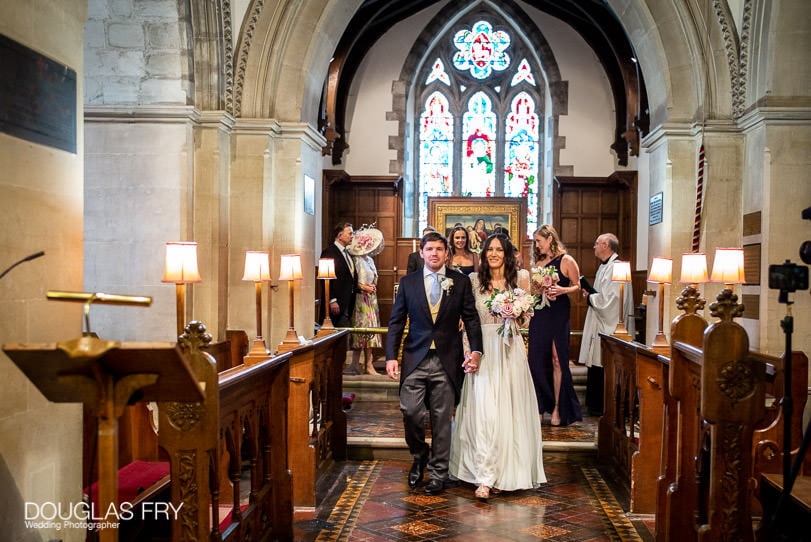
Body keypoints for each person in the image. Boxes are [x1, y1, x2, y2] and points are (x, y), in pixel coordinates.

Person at [449, 233, 546, 499]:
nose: (493, 254)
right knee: (484, 412)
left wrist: (515, 312)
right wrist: (470, 352)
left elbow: (526, 322)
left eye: (499, 250)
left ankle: (506, 472)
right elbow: (469, 320)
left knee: (508, 411)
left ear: (507, 254)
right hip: (483, 349)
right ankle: (484, 475)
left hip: (509, 349)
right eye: (489, 249)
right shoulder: (472, 281)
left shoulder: (522, 278)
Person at [386, 231, 483, 495]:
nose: (434, 254)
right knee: (411, 411)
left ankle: (439, 473)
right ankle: (419, 455)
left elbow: (471, 319)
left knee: (442, 419)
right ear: (422, 253)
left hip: (446, 359)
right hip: (415, 358)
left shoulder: (460, 282)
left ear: (446, 253)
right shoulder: (408, 283)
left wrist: (476, 351)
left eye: (440, 249)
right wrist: (391, 356)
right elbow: (396, 321)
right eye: (429, 249)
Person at [527, 225, 583, 426]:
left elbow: (578, 285)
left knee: (558, 359)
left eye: (538, 241)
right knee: (537, 360)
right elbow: (533, 290)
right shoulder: (539, 262)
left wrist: (561, 289)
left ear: (549, 239)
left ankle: (559, 407)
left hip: (559, 313)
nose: (536, 245)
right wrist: (536, 288)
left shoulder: (566, 260)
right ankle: (541, 406)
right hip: (540, 313)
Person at [578, 233, 635, 415]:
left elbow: (613, 301)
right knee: (596, 363)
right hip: (600, 321)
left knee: (603, 363)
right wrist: (592, 295)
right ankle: (595, 406)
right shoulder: (605, 266)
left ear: (605, 245)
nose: (593, 247)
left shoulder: (617, 267)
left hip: (609, 326)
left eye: (596, 244)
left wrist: (591, 296)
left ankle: (604, 407)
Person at [348, 226, 385, 375]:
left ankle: (368, 364)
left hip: (371, 299)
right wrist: (364, 287)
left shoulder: (369, 259)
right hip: (360, 298)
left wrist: (372, 288)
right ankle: (357, 363)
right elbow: (352, 281)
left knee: (371, 331)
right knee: (362, 330)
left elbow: (374, 278)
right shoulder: (356, 260)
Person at [319, 222, 355, 327]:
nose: (352, 236)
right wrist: (332, 300)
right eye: (350, 233)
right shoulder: (329, 252)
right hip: (337, 303)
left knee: (345, 334)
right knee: (338, 335)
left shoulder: (347, 253)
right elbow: (324, 279)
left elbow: (350, 277)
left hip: (348, 301)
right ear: (340, 236)